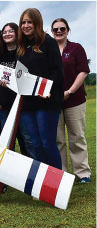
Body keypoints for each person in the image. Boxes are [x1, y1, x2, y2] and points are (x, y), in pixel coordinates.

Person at [17, 8, 64, 169]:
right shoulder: (22, 46)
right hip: (28, 103)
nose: (26, 25)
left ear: (37, 23)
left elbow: (57, 71)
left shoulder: (48, 42)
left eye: (29, 22)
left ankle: (56, 183)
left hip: (47, 101)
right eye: (23, 22)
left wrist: (47, 89)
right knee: (35, 144)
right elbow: (20, 74)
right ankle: (42, 183)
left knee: (46, 143)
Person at [51, 18, 91, 183]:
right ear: (52, 32)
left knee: (77, 137)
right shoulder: (48, 49)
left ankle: (82, 173)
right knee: (58, 139)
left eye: (62, 28)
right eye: (55, 29)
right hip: (53, 102)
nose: (59, 31)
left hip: (75, 100)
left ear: (68, 30)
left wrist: (70, 91)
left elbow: (83, 71)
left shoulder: (76, 48)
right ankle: (62, 174)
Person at [0, 23, 27, 155]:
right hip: (4, 105)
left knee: (26, 140)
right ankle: (9, 171)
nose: (7, 34)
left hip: (23, 104)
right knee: (7, 142)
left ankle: (27, 171)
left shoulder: (24, 52)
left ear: (17, 33)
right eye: (5, 32)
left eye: (11, 31)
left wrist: (13, 82)